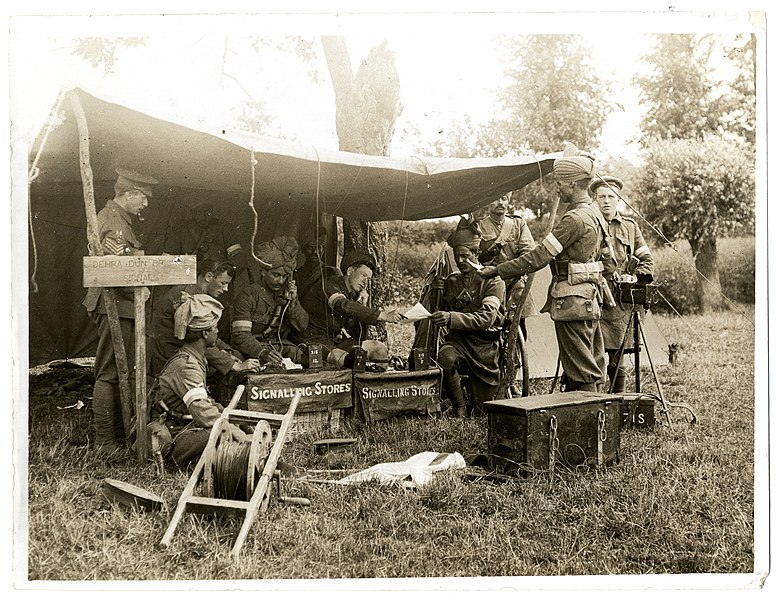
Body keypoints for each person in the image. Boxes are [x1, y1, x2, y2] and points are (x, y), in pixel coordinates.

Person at [479, 142, 613, 392]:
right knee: (592, 364)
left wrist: (497, 270)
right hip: (590, 300)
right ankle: (596, 422)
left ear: (572, 184)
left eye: (561, 183)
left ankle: (587, 425)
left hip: (572, 302)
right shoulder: (595, 215)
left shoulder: (573, 219)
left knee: (580, 369)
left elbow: (538, 257)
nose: (558, 188)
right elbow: (609, 261)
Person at [82, 167, 158, 455]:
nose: (146, 204)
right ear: (127, 194)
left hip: (123, 306)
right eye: (143, 198)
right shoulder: (114, 221)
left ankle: (117, 434)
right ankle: (105, 441)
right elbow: (116, 270)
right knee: (109, 372)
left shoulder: (119, 219)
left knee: (118, 369)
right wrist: (142, 288)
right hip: (115, 305)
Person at [150, 293, 249, 467]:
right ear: (205, 333)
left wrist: (232, 419)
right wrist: (233, 430)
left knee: (237, 426)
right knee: (223, 434)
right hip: (173, 436)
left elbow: (205, 403)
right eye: (215, 328)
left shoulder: (195, 358)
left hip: (184, 426)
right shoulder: (187, 366)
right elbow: (203, 412)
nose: (217, 332)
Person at [431, 219, 506, 417]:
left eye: (465, 256)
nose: (461, 261)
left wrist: (451, 317)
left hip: (484, 347)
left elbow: (487, 319)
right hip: (459, 341)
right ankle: (459, 406)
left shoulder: (492, 281)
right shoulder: (452, 281)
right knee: (445, 358)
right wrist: (435, 293)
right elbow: (439, 311)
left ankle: (475, 398)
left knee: (483, 410)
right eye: (457, 257)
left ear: (476, 254)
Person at [148, 257, 261, 379]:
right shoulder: (186, 297)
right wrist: (233, 364)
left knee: (237, 355)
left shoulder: (198, 294)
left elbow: (207, 331)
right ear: (208, 277)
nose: (226, 289)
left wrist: (228, 352)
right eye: (223, 283)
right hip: (171, 356)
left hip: (186, 350)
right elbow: (198, 339)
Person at [590, 175, 654, 393]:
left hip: (620, 302)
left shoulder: (630, 227)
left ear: (617, 199)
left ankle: (619, 400)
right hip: (595, 296)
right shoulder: (588, 223)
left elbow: (647, 260)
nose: (606, 201)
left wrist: (634, 277)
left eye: (610, 196)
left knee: (618, 355)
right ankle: (594, 400)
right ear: (594, 199)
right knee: (593, 353)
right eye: (601, 197)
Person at [296, 250, 401, 368]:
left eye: (368, 279)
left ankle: (377, 384)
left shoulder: (352, 296)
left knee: (378, 349)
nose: (365, 282)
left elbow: (358, 336)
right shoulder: (329, 284)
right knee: (342, 357)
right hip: (312, 339)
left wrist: (364, 304)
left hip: (334, 341)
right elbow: (342, 305)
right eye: (363, 275)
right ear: (350, 271)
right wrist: (381, 315)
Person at [164, 202, 250, 336]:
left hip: (217, 290)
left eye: (208, 212)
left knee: (218, 331)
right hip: (191, 286)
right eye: (199, 213)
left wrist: (224, 272)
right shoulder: (181, 229)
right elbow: (167, 262)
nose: (204, 217)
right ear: (192, 213)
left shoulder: (224, 228)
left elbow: (239, 260)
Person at [230, 237, 310, 367]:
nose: (281, 281)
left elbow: (302, 326)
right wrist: (262, 352)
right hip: (253, 350)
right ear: (263, 272)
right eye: (276, 275)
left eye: (284, 277)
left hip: (280, 348)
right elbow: (240, 336)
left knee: (307, 358)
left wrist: (293, 302)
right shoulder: (248, 295)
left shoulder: (286, 294)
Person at [476, 193, 537, 338]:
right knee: (488, 327)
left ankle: (517, 359)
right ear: (488, 202)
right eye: (496, 198)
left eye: (504, 198)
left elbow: (528, 251)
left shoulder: (518, 224)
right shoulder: (479, 227)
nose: (500, 202)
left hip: (515, 283)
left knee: (518, 327)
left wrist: (516, 268)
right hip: (489, 283)